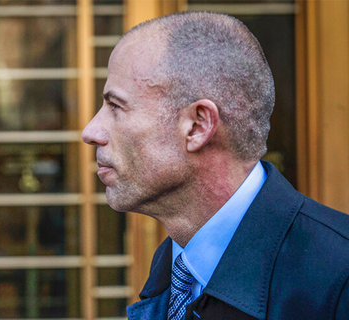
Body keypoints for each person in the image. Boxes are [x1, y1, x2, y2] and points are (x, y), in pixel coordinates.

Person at [82, 11, 349, 320]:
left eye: (116, 106)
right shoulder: (177, 268)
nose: (91, 131)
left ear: (197, 126)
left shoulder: (338, 277)